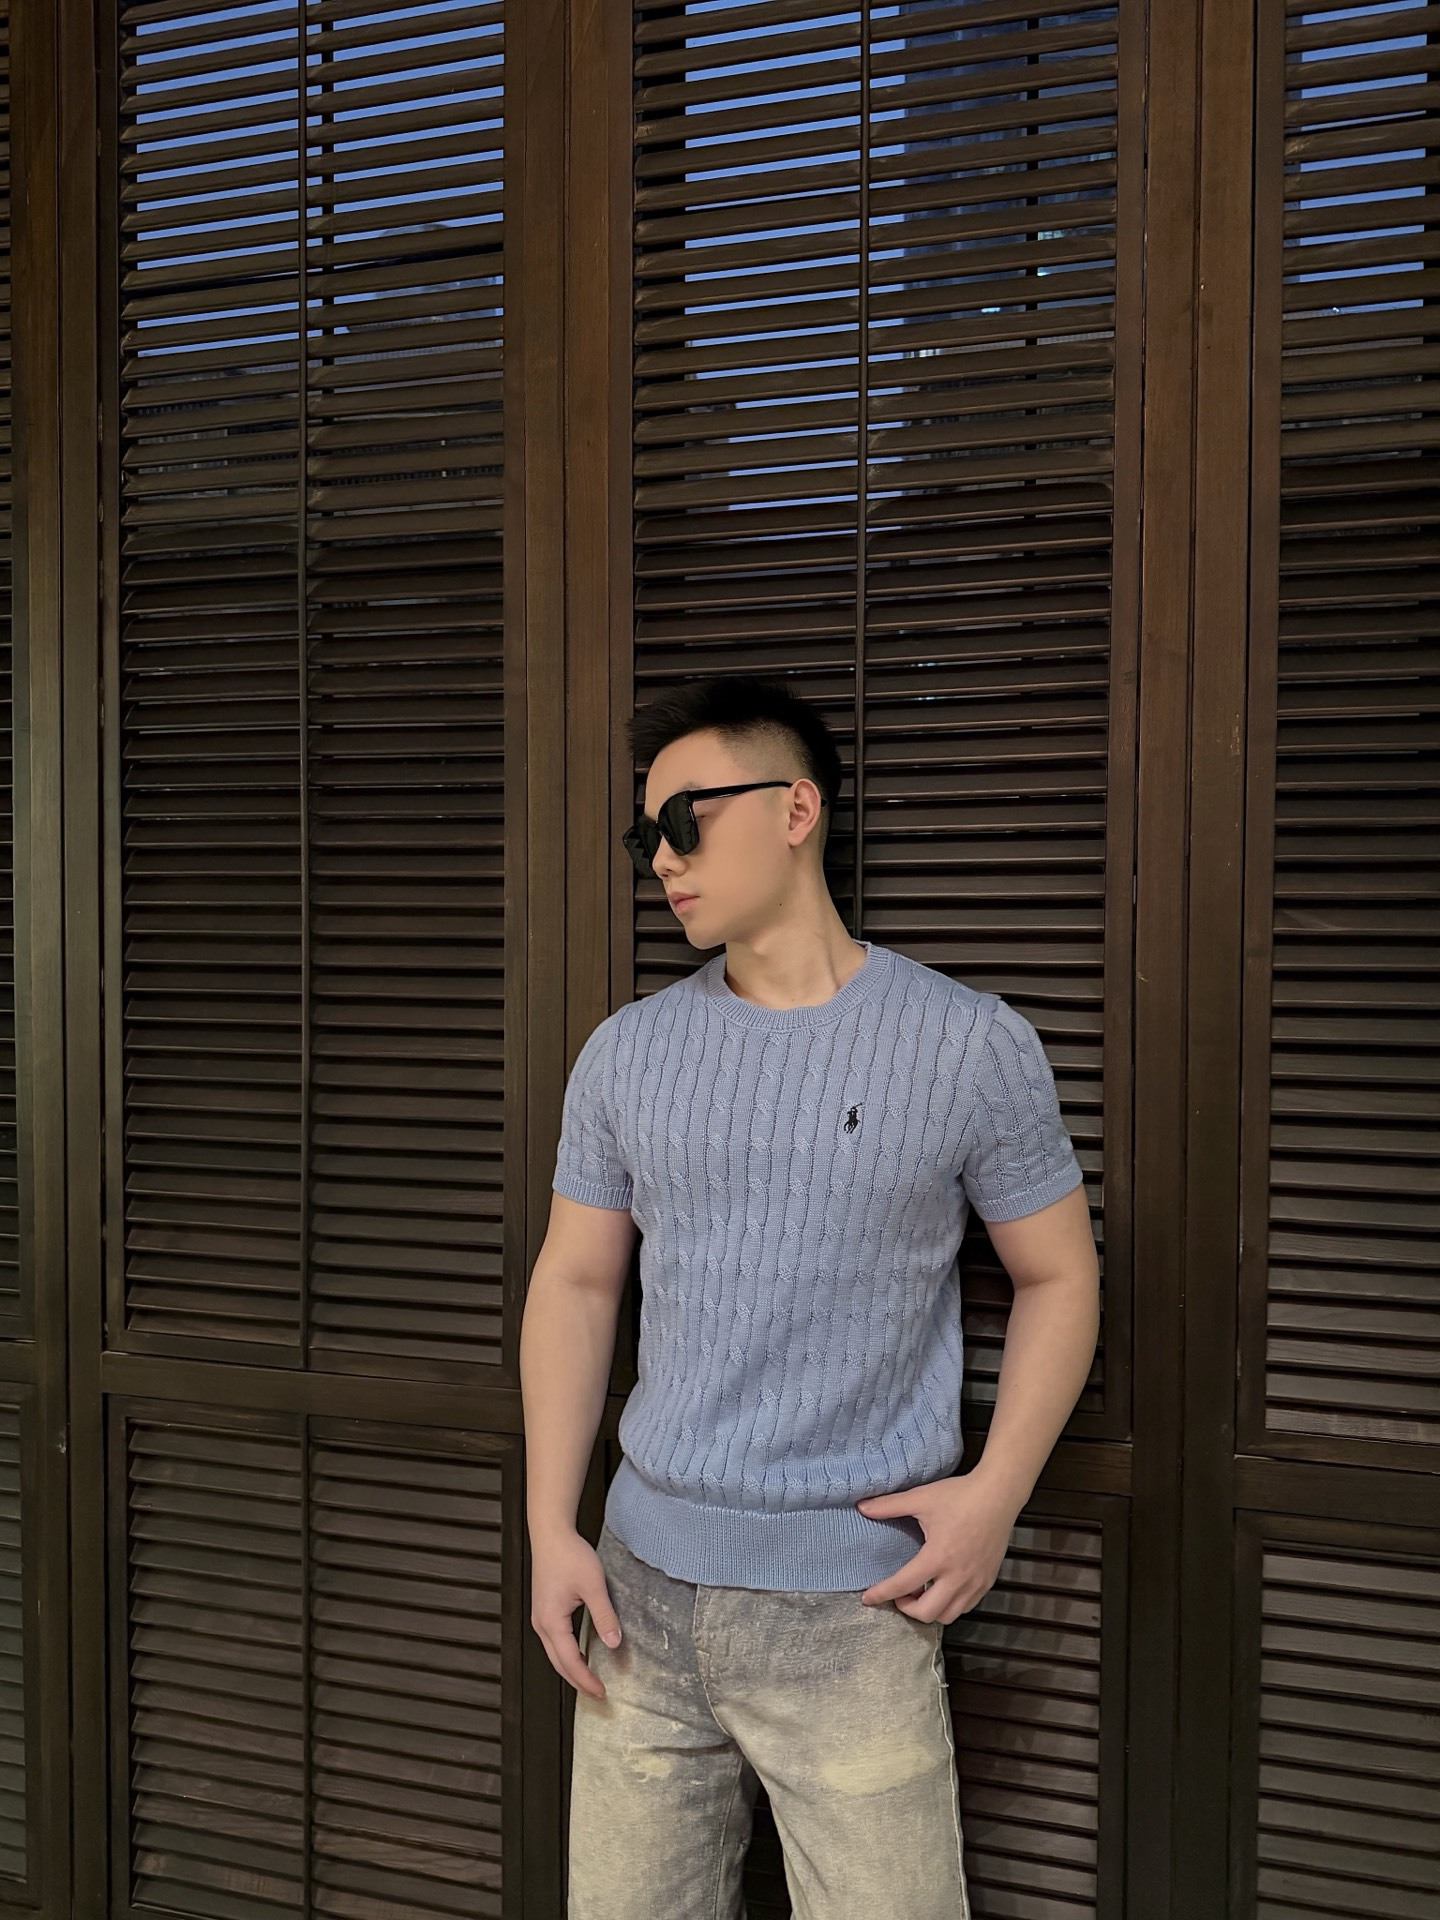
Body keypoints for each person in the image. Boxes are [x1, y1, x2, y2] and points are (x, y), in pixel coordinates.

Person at [520, 674, 1101, 1919]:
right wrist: (550, 1526)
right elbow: (574, 1281)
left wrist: (996, 1495)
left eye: (686, 821)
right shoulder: (626, 1054)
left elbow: (1059, 1275)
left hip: (858, 1613)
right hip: (637, 1598)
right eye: (645, 835)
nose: (662, 859)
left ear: (797, 809)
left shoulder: (967, 1044)